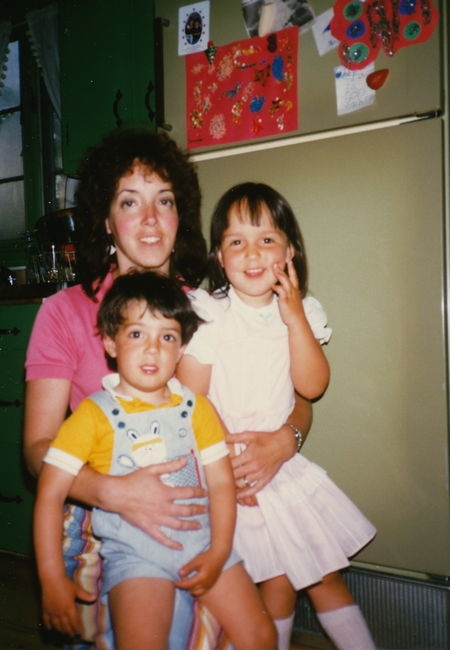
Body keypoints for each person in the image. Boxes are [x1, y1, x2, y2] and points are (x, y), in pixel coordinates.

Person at [24, 129, 310, 649]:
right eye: (130, 202)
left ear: (181, 219)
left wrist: (285, 439)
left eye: (165, 202)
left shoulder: (214, 308)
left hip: (210, 509)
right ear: (108, 221)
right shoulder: (63, 312)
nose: (151, 219)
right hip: (105, 517)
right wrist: (110, 491)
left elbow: (294, 396)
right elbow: (38, 447)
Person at [177, 182, 378, 650]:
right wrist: (227, 456)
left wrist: (294, 319)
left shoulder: (303, 310)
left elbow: (312, 386)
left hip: (281, 466)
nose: (251, 253)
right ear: (218, 255)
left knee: (317, 573)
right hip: (228, 467)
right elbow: (191, 398)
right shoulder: (207, 312)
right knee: (274, 578)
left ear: (290, 250)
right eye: (236, 241)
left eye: (266, 239)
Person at [34, 270, 277, 650]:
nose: (153, 350)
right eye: (137, 334)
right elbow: (50, 493)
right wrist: (51, 578)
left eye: (167, 337)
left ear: (181, 350)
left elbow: (221, 482)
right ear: (111, 343)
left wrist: (218, 552)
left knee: (261, 635)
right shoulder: (93, 415)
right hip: (135, 558)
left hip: (203, 544)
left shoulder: (196, 409)